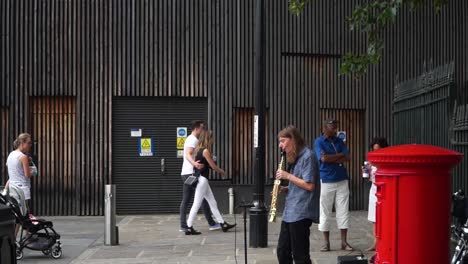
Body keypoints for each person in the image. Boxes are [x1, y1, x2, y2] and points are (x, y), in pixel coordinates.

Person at [275, 126, 320, 264]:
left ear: (293, 140)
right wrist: (285, 188)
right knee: (282, 251)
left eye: (283, 141)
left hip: (301, 212)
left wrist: (288, 176)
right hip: (291, 211)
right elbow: (300, 184)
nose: (280, 145)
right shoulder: (296, 157)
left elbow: (310, 185)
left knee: (300, 255)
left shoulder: (308, 156)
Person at [185, 130, 236, 235]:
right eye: (211, 138)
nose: (213, 140)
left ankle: (222, 224)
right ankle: (189, 227)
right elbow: (213, 166)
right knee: (196, 204)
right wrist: (222, 171)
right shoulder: (205, 151)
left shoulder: (198, 150)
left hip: (202, 180)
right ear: (208, 138)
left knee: (212, 203)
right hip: (202, 180)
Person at [314, 119, 353, 252]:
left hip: (342, 180)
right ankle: (326, 243)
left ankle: (344, 242)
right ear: (325, 128)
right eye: (332, 128)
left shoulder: (339, 141)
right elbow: (323, 159)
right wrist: (339, 156)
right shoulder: (319, 142)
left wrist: (332, 157)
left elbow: (347, 157)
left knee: (343, 211)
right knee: (325, 211)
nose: (335, 130)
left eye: (335, 127)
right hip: (326, 180)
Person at [179, 121, 219, 232]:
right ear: (197, 128)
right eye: (202, 127)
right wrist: (195, 163)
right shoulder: (193, 140)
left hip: (186, 173)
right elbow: (188, 153)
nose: (204, 129)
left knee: (189, 199)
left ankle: (184, 226)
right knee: (202, 199)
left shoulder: (191, 139)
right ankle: (210, 223)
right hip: (191, 173)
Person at [6, 133, 37, 235]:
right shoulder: (23, 157)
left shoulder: (11, 155)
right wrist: (34, 170)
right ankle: (27, 238)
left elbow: (12, 174)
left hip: (13, 189)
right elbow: (27, 174)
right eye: (28, 143)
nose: (30, 145)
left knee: (18, 215)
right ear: (22, 143)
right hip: (23, 190)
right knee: (25, 215)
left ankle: (15, 238)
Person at [366, 138, 388, 255]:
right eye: (374, 150)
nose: (376, 152)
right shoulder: (371, 161)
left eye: (378, 150)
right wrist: (367, 170)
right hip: (374, 189)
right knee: (374, 218)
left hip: (385, 190)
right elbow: (370, 177)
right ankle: (375, 242)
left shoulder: (387, 160)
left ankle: (383, 241)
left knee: (383, 218)